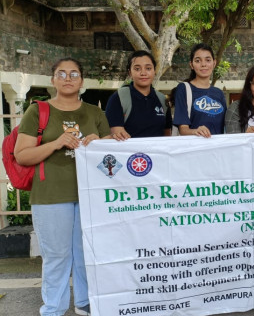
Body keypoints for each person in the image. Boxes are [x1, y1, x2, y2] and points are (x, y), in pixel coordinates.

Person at [14, 58, 111, 316]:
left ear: (82, 80)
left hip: (89, 194)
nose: (68, 78)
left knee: (86, 253)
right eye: (62, 73)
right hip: (51, 195)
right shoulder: (38, 111)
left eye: (74, 74)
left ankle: (84, 301)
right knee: (56, 256)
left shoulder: (95, 112)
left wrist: (99, 141)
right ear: (52, 79)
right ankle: (53, 309)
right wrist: (56, 143)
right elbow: (22, 155)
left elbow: (110, 152)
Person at [105, 50, 172, 139]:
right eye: (137, 69)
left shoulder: (162, 100)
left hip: (157, 152)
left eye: (148, 68)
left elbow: (167, 135)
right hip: (129, 152)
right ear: (130, 73)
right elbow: (117, 135)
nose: (143, 73)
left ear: (154, 71)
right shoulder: (119, 97)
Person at [174, 43, 226, 137]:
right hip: (195, 149)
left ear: (214, 63)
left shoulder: (219, 93)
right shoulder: (184, 89)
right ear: (191, 65)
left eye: (208, 60)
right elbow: (183, 129)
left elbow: (226, 127)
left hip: (217, 149)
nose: (203, 64)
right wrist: (196, 131)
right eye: (198, 61)